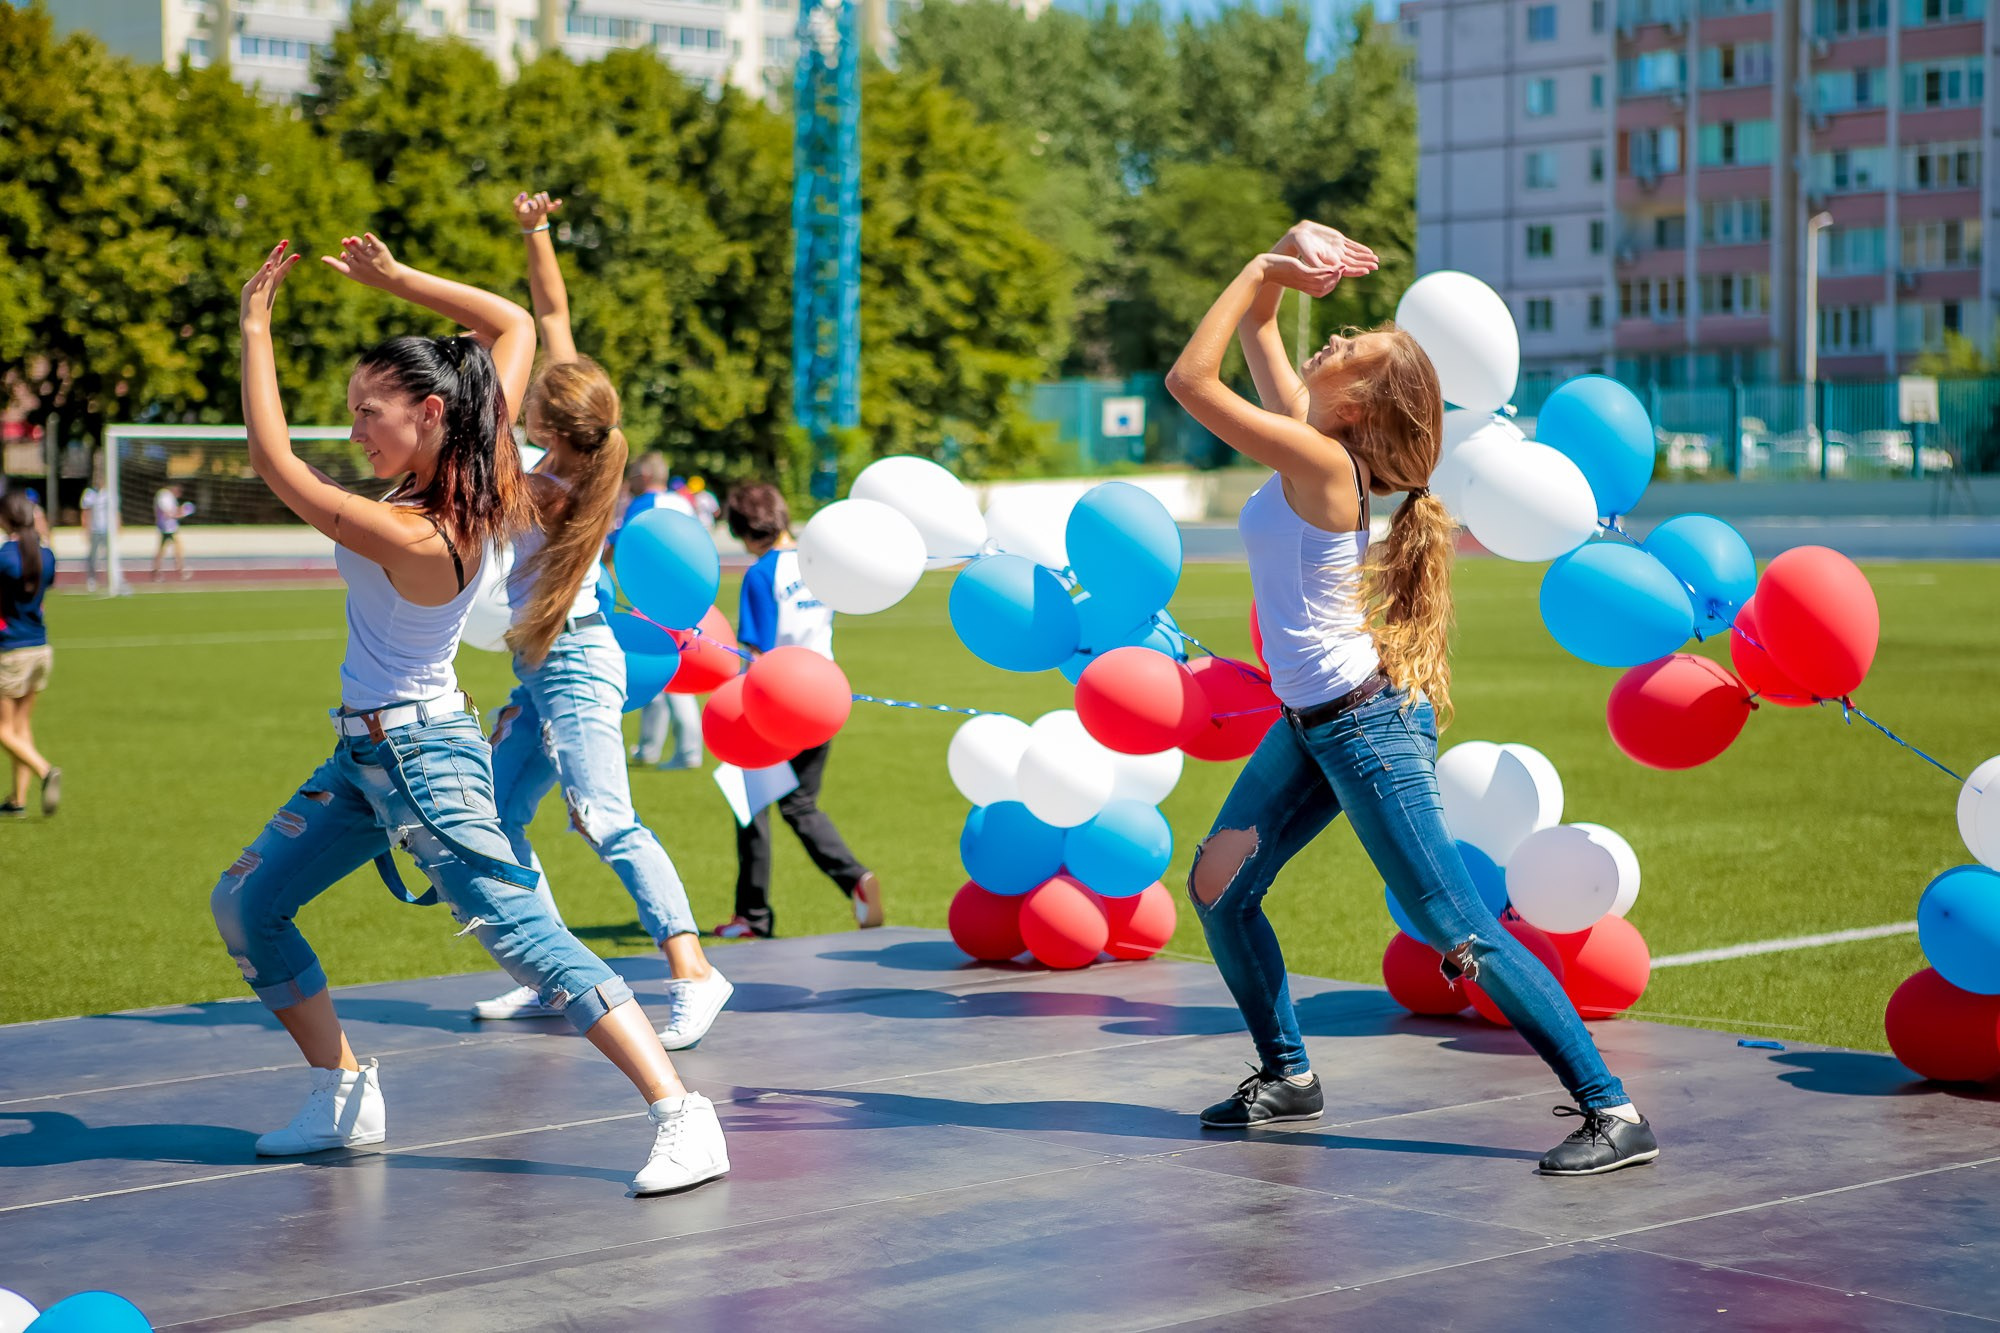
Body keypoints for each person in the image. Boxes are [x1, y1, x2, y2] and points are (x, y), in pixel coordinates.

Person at [215, 236, 726, 1196]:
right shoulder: (475, 462)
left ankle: (682, 1113)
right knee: (247, 903)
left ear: (432, 412)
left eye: (370, 413)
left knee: (525, 935)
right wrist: (395, 280)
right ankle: (344, 1090)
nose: (357, 429)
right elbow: (514, 324)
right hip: (366, 754)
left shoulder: (418, 528)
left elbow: (273, 462)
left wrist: (254, 324)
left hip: (424, 755)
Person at [1163, 220, 1657, 1177]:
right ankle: (1288, 1076)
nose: (1332, 340)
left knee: (1455, 923)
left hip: (1364, 729)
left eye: (1350, 349)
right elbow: (1263, 331)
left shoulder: (1324, 466)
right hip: (1314, 725)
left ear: (1359, 405)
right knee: (1221, 892)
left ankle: (1613, 1108)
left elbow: (1192, 383)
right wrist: (1286, 257)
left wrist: (1260, 266)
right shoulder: (1317, 440)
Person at [471, 189, 733, 1052]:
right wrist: (536, 232)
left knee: (607, 819)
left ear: (552, 424)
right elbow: (551, 314)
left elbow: (507, 377)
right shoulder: (583, 435)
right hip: (544, 670)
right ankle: (554, 971)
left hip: (577, 666)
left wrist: (472, 347)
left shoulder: (544, 485)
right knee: (499, 818)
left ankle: (695, 970)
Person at [711, 483, 884, 940]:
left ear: (742, 530)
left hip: (777, 703)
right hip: (824, 695)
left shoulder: (760, 573)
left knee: (751, 803)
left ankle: (753, 916)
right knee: (799, 803)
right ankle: (854, 879)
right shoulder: (815, 565)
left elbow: (758, 650)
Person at [614, 453, 704, 770]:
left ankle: (687, 750)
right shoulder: (683, 503)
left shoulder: (645, 504)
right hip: (686, 596)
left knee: (663, 672)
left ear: (648, 474)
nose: (632, 479)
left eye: (635, 473)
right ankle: (650, 747)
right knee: (666, 672)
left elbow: (621, 545)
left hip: (656, 598)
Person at [0, 490, 59, 817]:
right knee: (20, 727)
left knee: (3, 730)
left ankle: (44, 770)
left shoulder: (5, 556)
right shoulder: (45, 554)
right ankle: (17, 800)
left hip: (11, 650)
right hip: (40, 647)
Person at [152, 483, 194, 581]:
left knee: (177, 549)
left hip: (171, 528)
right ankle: (157, 572)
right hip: (166, 528)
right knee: (162, 551)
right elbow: (168, 513)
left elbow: (172, 512)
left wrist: (181, 512)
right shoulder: (164, 495)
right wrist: (182, 513)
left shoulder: (168, 496)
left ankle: (179, 570)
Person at [80, 461, 111, 593]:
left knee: (109, 555)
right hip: (94, 530)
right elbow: (85, 512)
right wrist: (85, 529)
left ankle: (111, 579)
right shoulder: (89, 494)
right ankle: (91, 579)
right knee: (92, 556)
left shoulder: (108, 493)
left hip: (106, 529)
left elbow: (115, 512)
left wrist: (117, 526)